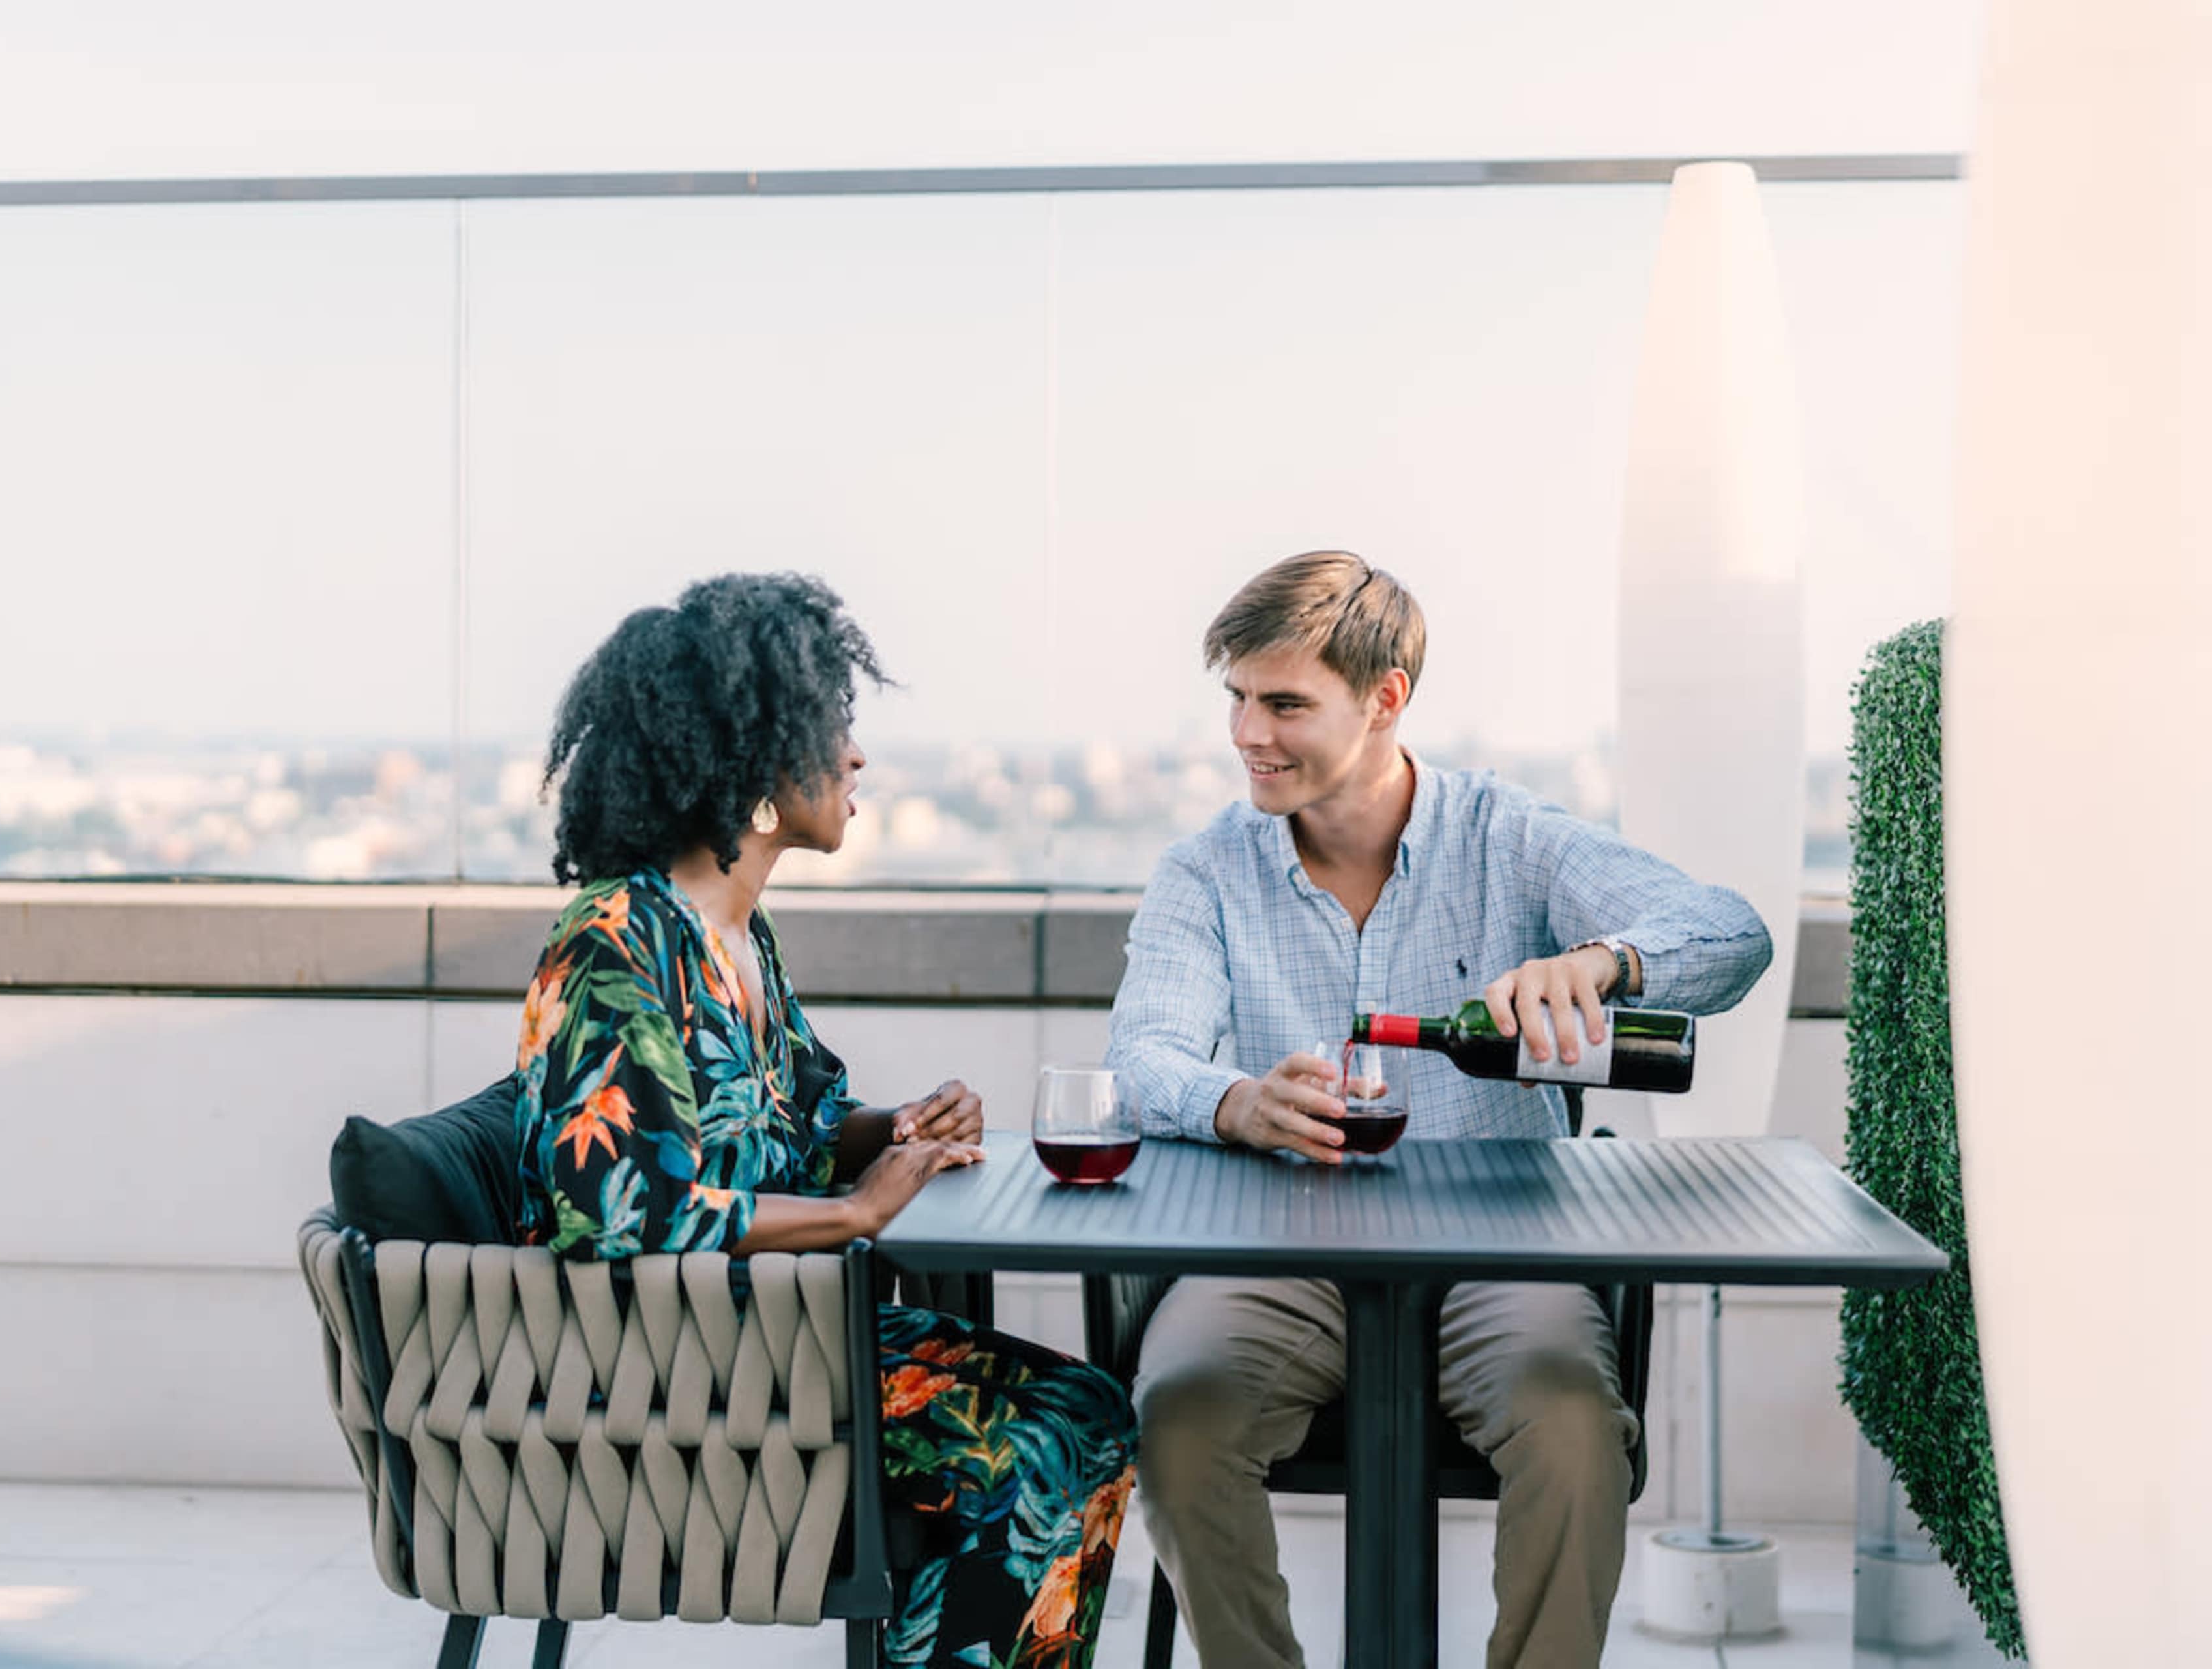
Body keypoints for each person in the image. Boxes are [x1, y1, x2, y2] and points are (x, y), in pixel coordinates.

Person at [1105, 552, 1771, 1669]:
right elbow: (1142, 1059)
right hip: (1280, 1248)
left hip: (1502, 1253)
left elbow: (1732, 934)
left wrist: (1607, 964)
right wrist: (1235, 1101)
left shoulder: (1509, 840)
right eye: (1238, 699)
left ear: (1385, 699)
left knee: (1573, 1436)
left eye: (1283, 703)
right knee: (1177, 1421)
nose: (1247, 734)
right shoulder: (1206, 873)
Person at [516, 572, 1138, 1669]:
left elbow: (796, 1119)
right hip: (681, 1375)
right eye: (832, 727)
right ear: (757, 770)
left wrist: (900, 1126)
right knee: (1041, 1441)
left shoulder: (737, 938)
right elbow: (619, 1212)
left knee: (1089, 1404)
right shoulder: (618, 942)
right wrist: (857, 1212)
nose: (855, 757)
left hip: (787, 1341)